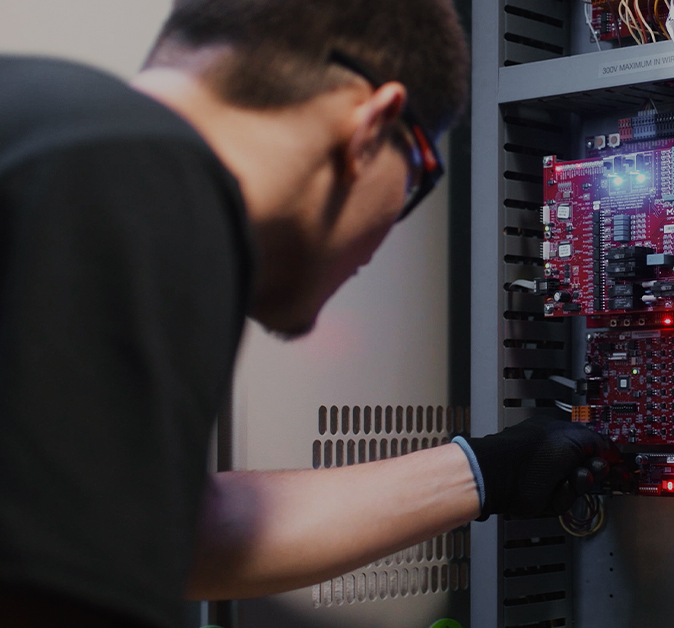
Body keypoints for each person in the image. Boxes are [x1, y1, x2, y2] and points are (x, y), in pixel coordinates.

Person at [0, 1, 614, 626]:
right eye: (416, 181)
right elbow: (63, 595)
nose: (377, 250)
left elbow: (168, 533)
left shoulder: (63, 135)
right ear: (373, 126)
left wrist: (488, 470)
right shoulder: (141, 172)